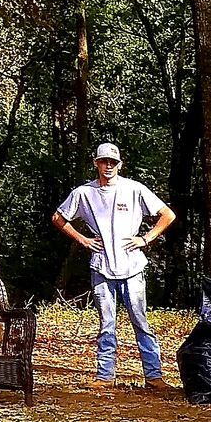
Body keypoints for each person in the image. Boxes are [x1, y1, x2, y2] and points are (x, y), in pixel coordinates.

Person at [52, 143, 177, 388]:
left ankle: (154, 376)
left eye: (112, 162)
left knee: (140, 321)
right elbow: (58, 217)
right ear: (96, 163)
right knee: (107, 324)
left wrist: (145, 239)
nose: (108, 166)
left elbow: (167, 215)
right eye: (103, 161)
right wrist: (83, 239)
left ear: (120, 164)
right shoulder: (83, 193)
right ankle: (104, 376)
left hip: (132, 266)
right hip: (101, 266)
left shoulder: (134, 189)